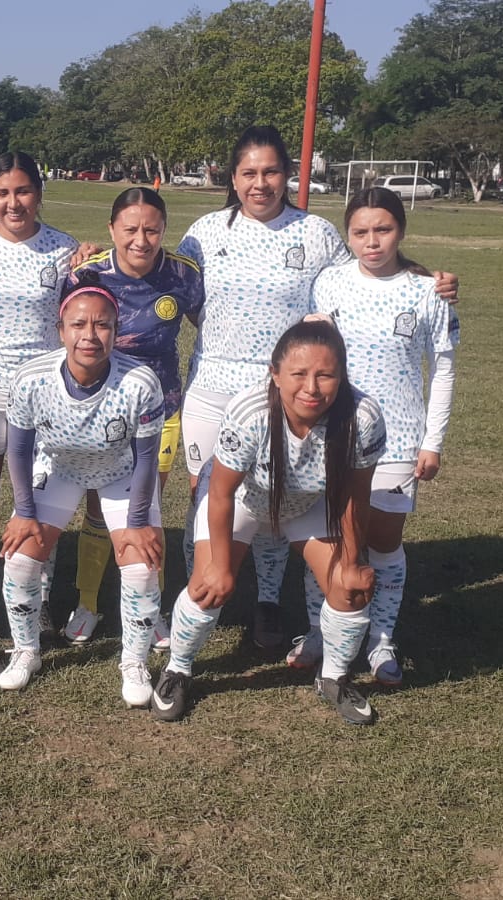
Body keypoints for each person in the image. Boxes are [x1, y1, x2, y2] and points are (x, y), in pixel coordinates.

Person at [176, 126, 458, 653]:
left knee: (279, 496)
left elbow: (366, 275)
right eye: (248, 173)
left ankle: (266, 603)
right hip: (212, 388)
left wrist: (428, 280)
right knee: (208, 498)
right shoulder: (204, 232)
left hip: (292, 394)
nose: (260, 183)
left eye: (271, 172)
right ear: (232, 179)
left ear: (288, 175)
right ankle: (202, 594)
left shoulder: (317, 233)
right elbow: (180, 294)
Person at [154, 320, 385, 725]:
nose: (311, 388)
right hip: (243, 499)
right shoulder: (250, 413)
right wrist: (220, 565)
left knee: (349, 588)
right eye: (298, 374)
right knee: (209, 585)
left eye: (325, 375)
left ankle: (333, 677)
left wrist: (352, 560)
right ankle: (178, 669)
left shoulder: (362, 417)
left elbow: (355, 495)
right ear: (275, 374)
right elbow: (221, 493)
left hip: (307, 503)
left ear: (342, 375)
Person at [297, 187, 458, 687]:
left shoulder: (428, 292)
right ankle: (319, 630)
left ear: (401, 231)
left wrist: (432, 441)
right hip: (331, 433)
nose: (372, 241)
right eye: (361, 232)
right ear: (348, 236)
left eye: (383, 230)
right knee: (327, 537)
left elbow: (444, 370)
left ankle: (381, 638)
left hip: (398, 439)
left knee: (383, 542)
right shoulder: (329, 283)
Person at [0, 277, 166, 701]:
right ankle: (26, 650)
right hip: (59, 469)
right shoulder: (32, 378)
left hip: (119, 472)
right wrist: (24, 512)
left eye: (102, 324)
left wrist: (138, 522)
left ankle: (134, 662)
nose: (89, 335)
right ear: (61, 330)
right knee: (20, 559)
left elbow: (147, 458)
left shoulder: (141, 382)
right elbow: (18, 449)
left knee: (142, 567)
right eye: (78, 324)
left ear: (116, 330)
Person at [0, 150, 79, 639]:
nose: (13, 202)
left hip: (43, 397)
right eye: (2, 193)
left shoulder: (63, 249)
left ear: (39, 194)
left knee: (38, 498)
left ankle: (37, 595)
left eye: (23, 191)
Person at [65, 187, 202, 645]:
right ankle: (87, 603)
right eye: (130, 229)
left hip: (161, 409)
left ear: (164, 230)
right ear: (111, 229)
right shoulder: (88, 273)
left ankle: (151, 609)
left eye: (152, 230)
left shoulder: (182, 275)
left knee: (148, 508)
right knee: (97, 508)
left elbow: (210, 326)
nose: (141, 240)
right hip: (100, 407)